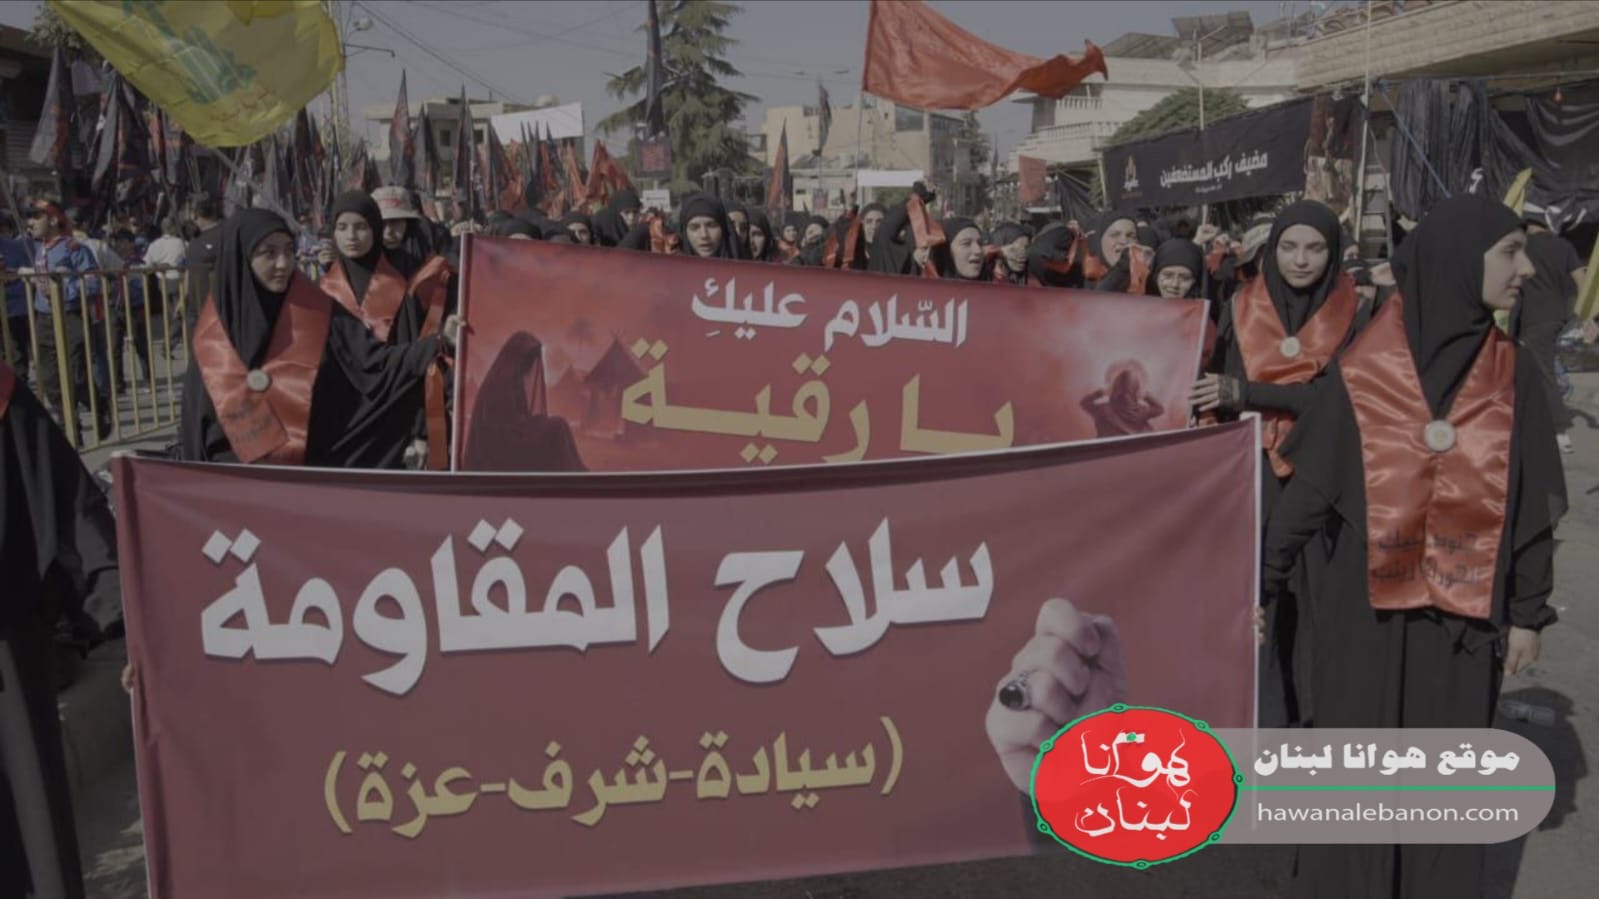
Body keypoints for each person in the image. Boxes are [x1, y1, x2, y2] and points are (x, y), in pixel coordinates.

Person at [1262, 194, 1565, 899]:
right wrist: (1261, 581)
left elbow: (1529, 504)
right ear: (1459, 261)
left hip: (1460, 622)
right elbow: (1309, 496)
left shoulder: (1513, 372)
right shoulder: (1364, 370)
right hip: (1362, 612)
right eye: (1510, 253)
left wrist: (1528, 612)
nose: (1524, 269)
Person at [1191, 200, 1360, 727]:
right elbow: (1216, 388)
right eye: (1288, 247)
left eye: (1315, 248)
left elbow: (1343, 402)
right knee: (1259, 603)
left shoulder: (1359, 313)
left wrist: (1249, 392)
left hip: (1324, 481)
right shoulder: (1242, 306)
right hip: (1255, 475)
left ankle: (1316, 721)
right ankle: (1266, 720)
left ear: (1333, 253)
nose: (1300, 260)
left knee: (1317, 605)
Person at [178, 208, 454, 468]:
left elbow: (375, 364)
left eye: (289, 251)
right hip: (234, 478)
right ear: (241, 257)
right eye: (269, 253)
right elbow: (197, 424)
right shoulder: (215, 334)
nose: (283, 264)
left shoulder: (316, 308)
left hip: (305, 470)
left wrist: (439, 341)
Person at [1, 359, 122, 899]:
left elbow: (67, 501)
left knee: (30, 817)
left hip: (9, 649)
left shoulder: (4, 397)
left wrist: (119, 610)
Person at [23, 200, 111, 444]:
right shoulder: (36, 248)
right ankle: (69, 427)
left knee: (77, 375)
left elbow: (93, 281)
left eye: (37, 217)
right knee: (50, 377)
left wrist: (62, 289)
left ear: (53, 219)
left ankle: (100, 407)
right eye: (29, 217)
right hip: (45, 319)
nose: (30, 223)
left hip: (71, 316)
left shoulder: (74, 247)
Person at [1510, 216, 1585, 454]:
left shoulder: (1522, 247)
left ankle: (1559, 430)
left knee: (1543, 372)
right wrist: (1583, 316)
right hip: (1559, 316)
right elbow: (1580, 278)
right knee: (1539, 369)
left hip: (1533, 317)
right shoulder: (1563, 245)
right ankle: (1534, 419)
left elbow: (1514, 285)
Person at [462, 331, 585, 472]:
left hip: (512, 439)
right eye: (529, 359)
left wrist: (535, 422)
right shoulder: (501, 381)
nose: (531, 365)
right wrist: (534, 425)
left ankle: (574, 475)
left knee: (558, 426)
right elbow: (503, 427)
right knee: (558, 427)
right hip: (502, 448)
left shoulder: (511, 380)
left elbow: (518, 418)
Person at [1080, 359, 1165, 436]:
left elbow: (1084, 403)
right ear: (1136, 390)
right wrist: (1144, 394)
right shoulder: (1141, 411)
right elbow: (1159, 409)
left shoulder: (1103, 410)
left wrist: (1101, 392)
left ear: (1113, 388)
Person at [182, 199, 225, 345]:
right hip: (194, 304)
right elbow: (189, 268)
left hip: (214, 304)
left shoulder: (224, 234)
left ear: (197, 215)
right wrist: (184, 294)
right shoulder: (195, 237)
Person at [2, 214, 33, 380]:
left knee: (17, 357)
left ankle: (20, 388)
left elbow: (28, 277)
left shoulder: (16, 248)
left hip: (14, 311)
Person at [677, 194, 743, 259]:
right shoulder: (673, 264)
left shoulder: (744, 264)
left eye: (711, 226)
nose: (704, 235)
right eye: (695, 227)